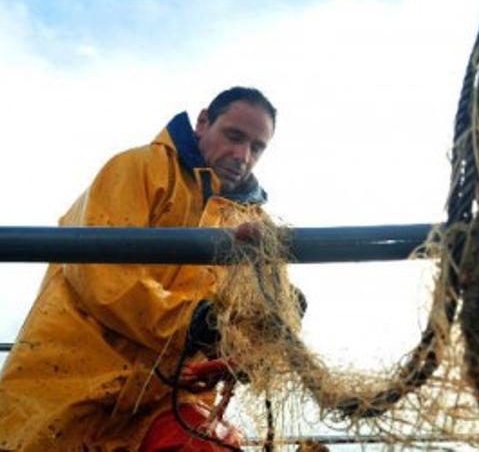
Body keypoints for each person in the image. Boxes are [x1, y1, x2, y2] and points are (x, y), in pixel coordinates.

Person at [0, 86, 277, 451]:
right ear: (203, 121)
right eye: (234, 136)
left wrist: (259, 338)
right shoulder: (138, 168)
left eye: (257, 147)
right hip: (67, 385)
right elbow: (102, 277)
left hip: (166, 401)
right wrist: (195, 324)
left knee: (205, 444)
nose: (242, 156)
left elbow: (252, 322)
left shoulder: (254, 225)